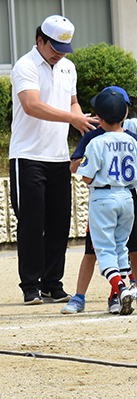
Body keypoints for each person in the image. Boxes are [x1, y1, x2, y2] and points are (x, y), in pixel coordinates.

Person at [9, 15, 97, 305]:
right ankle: (30, 286)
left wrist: (80, 122)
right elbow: (31, 105)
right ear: (40, 41)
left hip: (59, 156)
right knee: (32, 223)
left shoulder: (68, 67)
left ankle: (52, 284)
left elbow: (72, 103)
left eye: (64, 47)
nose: (60, 52)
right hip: (28, 156)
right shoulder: (25, 66)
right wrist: (71, 117)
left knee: (59, 222)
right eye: (55, 46)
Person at [64, 86, 137, 314]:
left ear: (99, 117)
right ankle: (119, 290)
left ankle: (120, 289)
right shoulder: (133, 142)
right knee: (120, 247)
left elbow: (85, 176)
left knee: (104, 250)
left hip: (103, 198)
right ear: (125, 113)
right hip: (127, 197)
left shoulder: (95, 141)